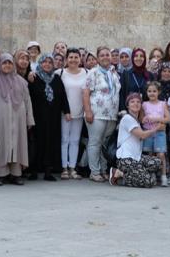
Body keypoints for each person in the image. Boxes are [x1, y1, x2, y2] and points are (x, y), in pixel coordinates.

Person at [0, 53, 35, 186]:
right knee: (2, 145)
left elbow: (28, 101)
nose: (7, 66)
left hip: (18, 119)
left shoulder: (21, 81)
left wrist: (30, 119)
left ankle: (16, 174)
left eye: (10, 63)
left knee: (17, 144)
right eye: (4, 63)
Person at [28, 54, 71, 181]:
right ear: (40, 64)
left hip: (53, 117)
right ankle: (34, 171)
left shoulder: (56, 78)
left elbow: (63, 96)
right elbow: (28, 97)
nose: (47, 64)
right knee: (36, 143)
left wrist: (67, 111)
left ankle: (48, 171)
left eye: (49, 62)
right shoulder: (34, 78)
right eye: (44, 62)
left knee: (50, 143)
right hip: (37, 116)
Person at [83, 46, 121, 182]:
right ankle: (94, 171)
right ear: (98, 58)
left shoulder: (114, 73)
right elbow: (86, 92)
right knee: (95, 142)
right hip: (96, 113)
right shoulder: (93, 72)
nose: (105, 57)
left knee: (105, 144)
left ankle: (104, 169)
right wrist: (88, 111)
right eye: (102, 55)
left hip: (111, 114)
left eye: (107, 54)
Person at [109, 93, 161, 187]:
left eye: (138, 102)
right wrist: (156, 128)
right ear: (128, 105)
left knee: (156, 162)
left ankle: (137, 173)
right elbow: (142, 135)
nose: (135, 103)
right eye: (132, 102)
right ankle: (118, 173)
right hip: (125, 158)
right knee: (149, 182)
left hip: (136, 157)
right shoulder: (127, 118)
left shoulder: (136, 121)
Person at [58, 48, 87, 180]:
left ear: (80, 59)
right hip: (65, 113)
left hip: (80, 113)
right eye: (71, 57)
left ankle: (73, 168)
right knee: (65, 140)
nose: (73, 60)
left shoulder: (87, 73)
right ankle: (64, 168)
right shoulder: (60, 73)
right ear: (66, 59)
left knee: (75, 141)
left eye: (76, 57)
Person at [141, 81, 170, 186]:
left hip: (160, 133)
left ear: (159, 92)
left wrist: (157, 118)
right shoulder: (144, 105)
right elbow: (141, 118)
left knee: (161, 154)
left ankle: (163, 176)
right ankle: (151, 174)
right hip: (148, 132)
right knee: (149, 154)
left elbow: (168, 119)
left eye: (154, 91)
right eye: (149, 91)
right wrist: (144, 119)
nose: (152, 93)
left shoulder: (163, 104)